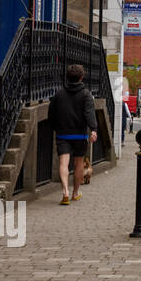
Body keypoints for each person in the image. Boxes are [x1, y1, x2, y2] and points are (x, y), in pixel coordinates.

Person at [49, 64, 97, 205]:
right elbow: (89, 113)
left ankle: (65, 192)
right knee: (78, 165)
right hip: (80, 135)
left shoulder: (59, 94)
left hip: (63, 134)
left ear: (68, 77)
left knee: (64, 163)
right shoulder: (86, 94)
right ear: (81, 77)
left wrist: (55, 127)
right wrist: (93, 129)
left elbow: (51, 114)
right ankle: (75, 193)